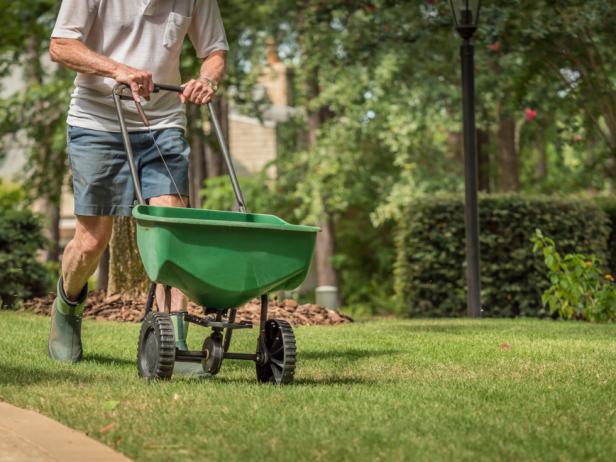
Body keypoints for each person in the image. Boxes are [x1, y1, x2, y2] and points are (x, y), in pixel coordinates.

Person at [47, 0, 228, 362]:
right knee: (91, 241)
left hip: (163, 124)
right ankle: (67, 309)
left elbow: (215, 51)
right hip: (96, 121)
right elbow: (61, 45)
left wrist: (206, 79)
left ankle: (172, 341)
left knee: (170, 233)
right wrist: (117, 69)